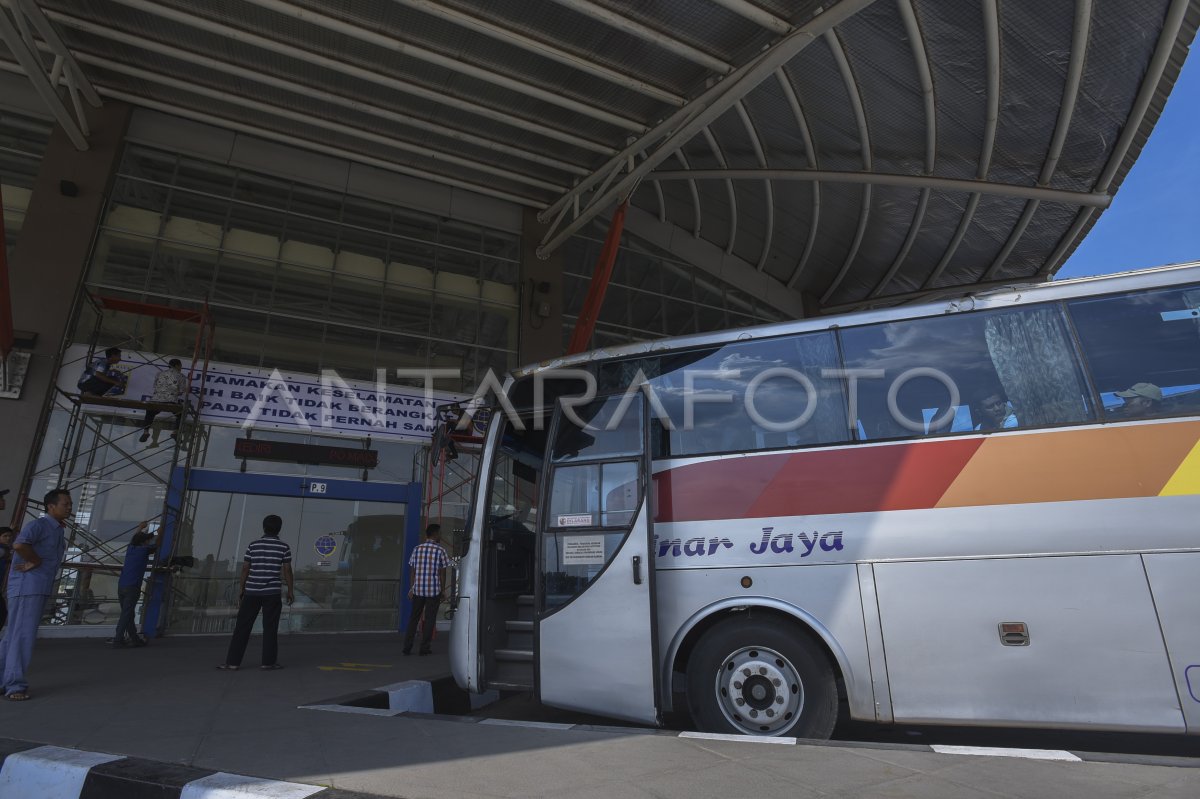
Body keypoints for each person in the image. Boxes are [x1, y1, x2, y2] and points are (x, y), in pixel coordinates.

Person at [0, 489, 71, 701]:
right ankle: (15, 685)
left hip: (34, 587)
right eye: (65, 504)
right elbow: (19, 544)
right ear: (51, 506)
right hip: (28, 588)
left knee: (12, 635)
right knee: (22, 635)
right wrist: (36, 561)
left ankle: (5, 680)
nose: (69, 507)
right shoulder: (39, 525)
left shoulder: (57, 530)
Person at [218, 515, 294, 671]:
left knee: (242, 627)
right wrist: (290, 591)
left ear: (264, 527)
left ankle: (233, 662)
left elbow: (246, 567)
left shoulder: (253, 545)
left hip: (252, 592)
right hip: (272, 593)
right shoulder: (284, 547)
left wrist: (241, 589)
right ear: (279, 529)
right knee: (270, 628)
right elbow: (287, 570)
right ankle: (268, 662)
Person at [403, 524, 451, 656]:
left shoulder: (417, 549)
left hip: (418, 590)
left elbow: (412, 571)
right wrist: (442, 590)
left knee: (414, 618)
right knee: (430, 619)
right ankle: (424, 648)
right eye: (440, 533)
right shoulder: (440, 550)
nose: (441, 535)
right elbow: (442, 573)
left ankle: (407, 646)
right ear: (435, 534)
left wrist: (412, 588)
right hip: (433, 590)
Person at [113, 522, 157, 648]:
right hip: (133, 587)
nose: (148, 542)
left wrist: (140, 528)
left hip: (121, 586)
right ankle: (118, 639)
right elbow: (157, 544)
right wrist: (161, 531)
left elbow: (135, 538)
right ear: (144, 542)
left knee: (128, 614)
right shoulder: (144, 550)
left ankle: (134, 638)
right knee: (126, 614)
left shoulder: (131, 548)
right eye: (147, 540)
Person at [139, 359, 189, 444]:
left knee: (150, 413)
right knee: (182, 414)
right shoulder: (181, 376)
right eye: (180, 365)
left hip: (156, 400)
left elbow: (155, 386)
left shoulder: (159, 374)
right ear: (177, 365)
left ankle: (146, 431)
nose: (181, 368)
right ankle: (175, 432)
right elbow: (181, 391)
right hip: (171, 401)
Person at [0, 528, 13, 633]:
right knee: (2, 612)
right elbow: (5, 554)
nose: (8, 538)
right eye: (5, 536)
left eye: (10, 536)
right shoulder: (2, 550)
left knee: (2, 612)